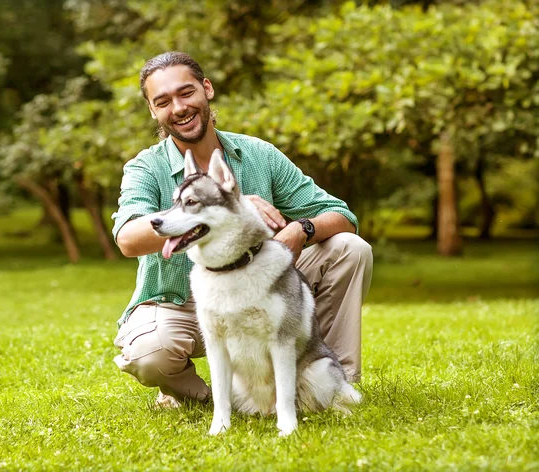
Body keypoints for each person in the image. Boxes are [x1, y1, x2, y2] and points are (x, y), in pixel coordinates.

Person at [111, 51, 372, 407]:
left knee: (349, 248)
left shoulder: (259, 154)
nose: (179, 108)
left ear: (207, 89)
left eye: (186, 93)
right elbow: (127, 238)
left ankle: (332, 383)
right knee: (149, 354)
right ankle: (209, 397)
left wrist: (300, 230)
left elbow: (342, 216)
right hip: (182, 305)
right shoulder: (146, 167)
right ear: (153, 111)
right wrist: (229, 203)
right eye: (163, 101)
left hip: (258, 295)